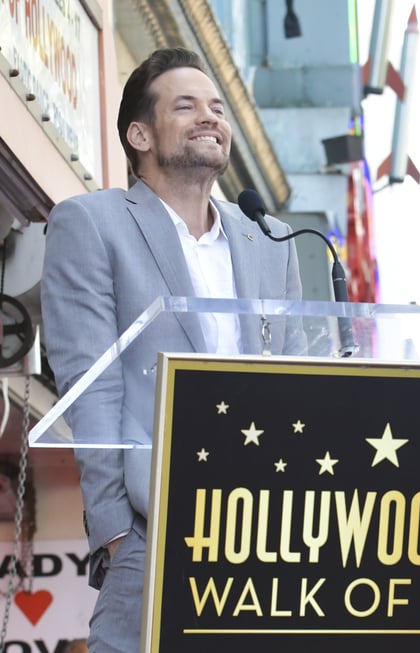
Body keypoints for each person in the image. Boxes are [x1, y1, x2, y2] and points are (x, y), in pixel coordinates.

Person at [41, 48, 303, 653]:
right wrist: (115, 533)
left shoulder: (271, 239)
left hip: (263, 534)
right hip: (149, 525)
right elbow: (92, 385)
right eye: (185, 106)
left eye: (217, 107)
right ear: (140, 134)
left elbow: (291, 381)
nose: (209, 117)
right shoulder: (90, 223)